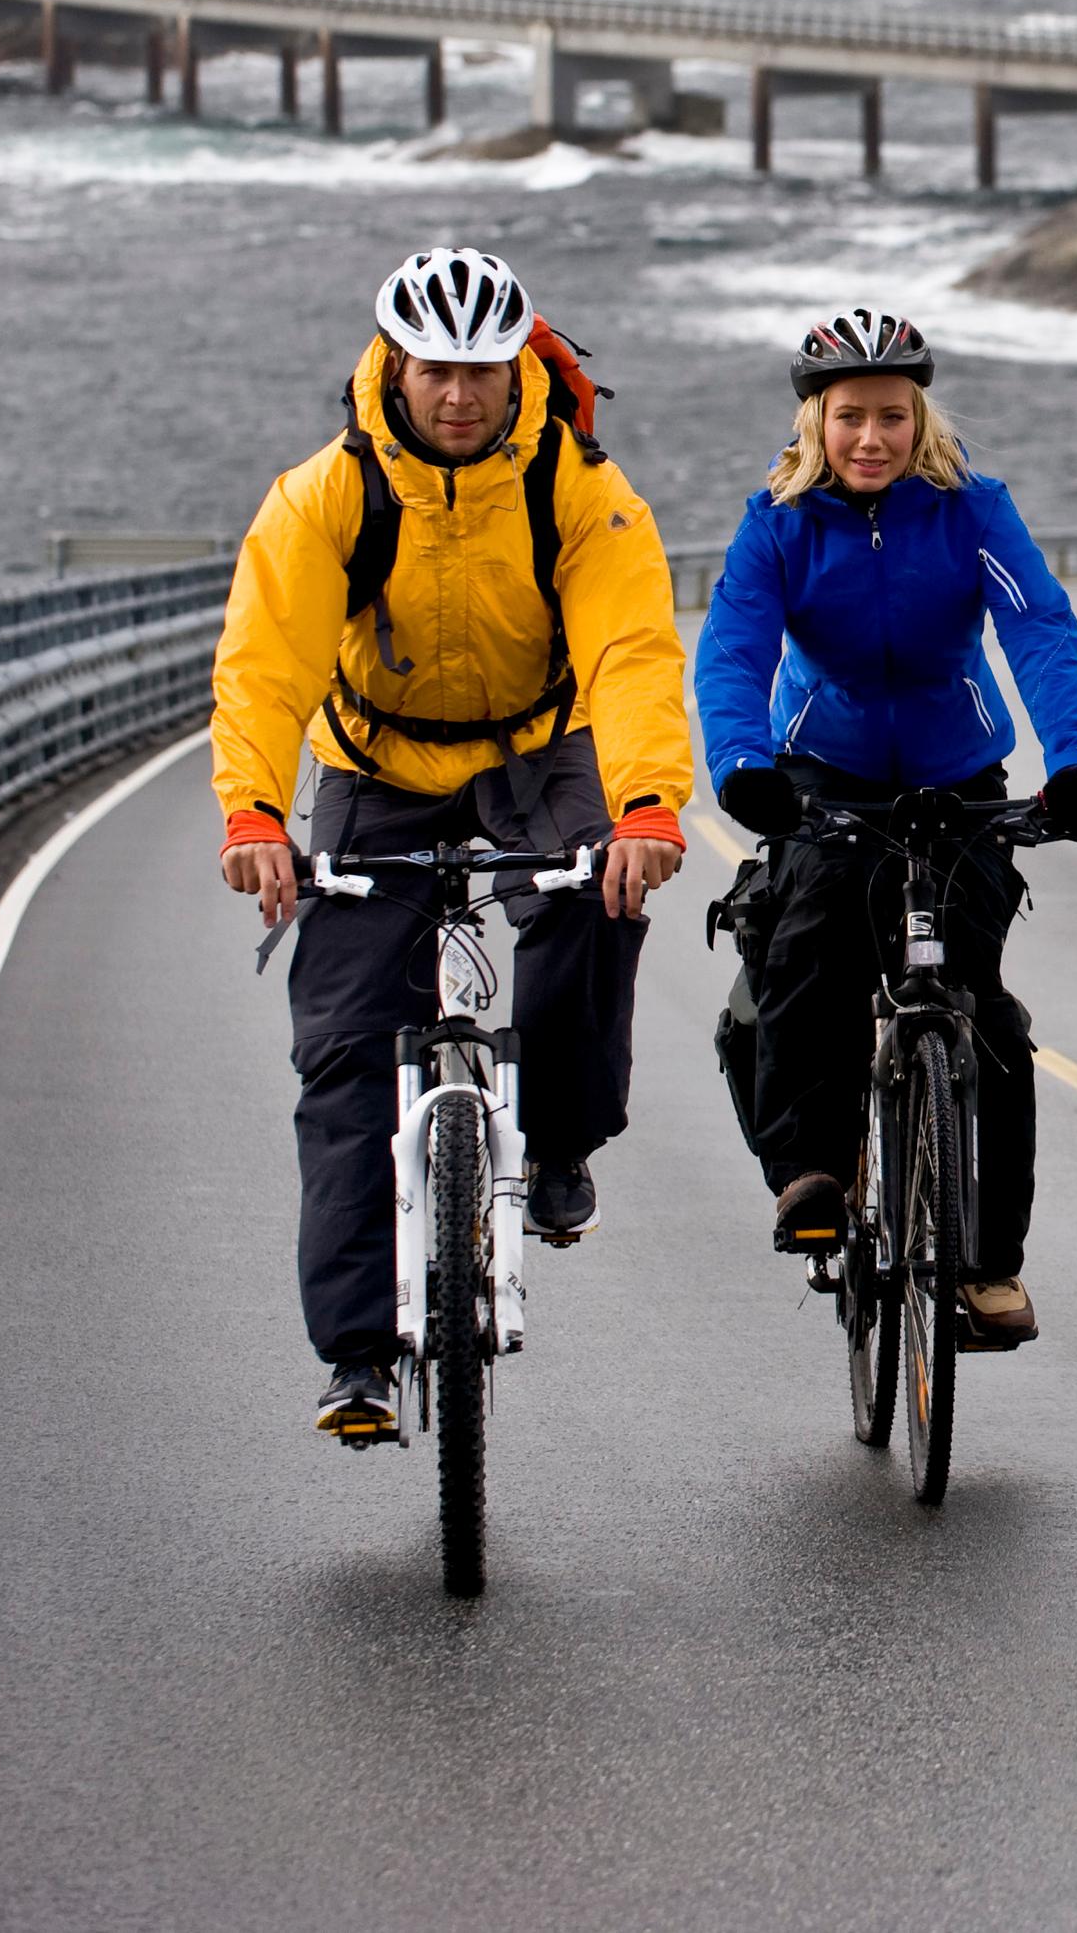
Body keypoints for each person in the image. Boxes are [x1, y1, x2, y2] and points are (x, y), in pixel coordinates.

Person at [212, 247, 692, 1443]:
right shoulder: (325, 494)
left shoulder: (580, 488)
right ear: (396, 367)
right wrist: (255, 812)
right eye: (437, 371)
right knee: (342, 1051)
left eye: (481, 370)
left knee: (597, 897)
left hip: (540, 744)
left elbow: (632, 650)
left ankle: (565, 1139)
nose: (461, 396)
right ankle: (360, 1357)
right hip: (379, 762)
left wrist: (645, 804)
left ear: (514, 366)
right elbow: (267, 665)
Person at [695, 308, 1077, 1350]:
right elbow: (734, 651)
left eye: (891, 415)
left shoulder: (973, 510)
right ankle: (814, 1173)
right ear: (817, 422)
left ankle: (986, 1267)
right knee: (807, 946)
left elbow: (1040, 626)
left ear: (919, 417)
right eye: (850, 417)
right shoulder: (777, 522)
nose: (871, 437)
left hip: (953, 773)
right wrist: (743, 765)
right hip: (820, 772)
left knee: (984, 1017)